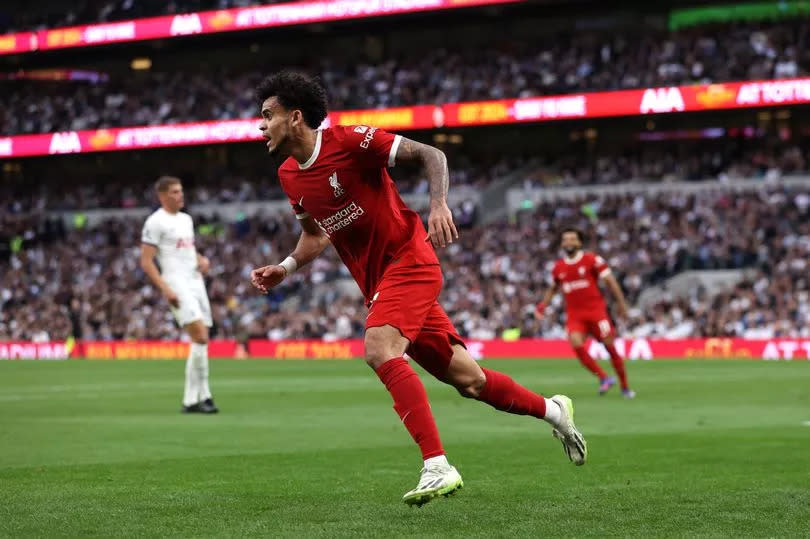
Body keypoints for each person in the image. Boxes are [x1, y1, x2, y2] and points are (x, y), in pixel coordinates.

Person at [249, 71, 587, 507]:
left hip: (410, 260)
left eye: (267, 115)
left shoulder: (350, 142)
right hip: (380, 284)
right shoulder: (289, 176)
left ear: (295, 118)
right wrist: (287, 265)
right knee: (471, 381)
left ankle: (437, 465)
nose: (261, 125)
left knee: (379, 348)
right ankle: (555, 411)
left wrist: (438, 203)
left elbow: (432, 154)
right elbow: (316, 236)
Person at [140, 176, 219, 414]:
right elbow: (146, 261)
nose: (180, 195)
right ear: (162, 196)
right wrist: (165, 288)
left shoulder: (186, 219)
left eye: (181, 191)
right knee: (201, 336)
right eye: (174, 192)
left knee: (200, 341)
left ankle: (190, 400)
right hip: (176, 283)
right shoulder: (155, 222)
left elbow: (187, 250)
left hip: (196, 282)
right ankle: (205, 396)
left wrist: (201, 260)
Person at [536, 228, 635, 398]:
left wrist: (622, 305)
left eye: (572, 239)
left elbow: (611, 282)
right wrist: (543, 305)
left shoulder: (592, 260)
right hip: (575, 315)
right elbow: (553, 288)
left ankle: (625, 387)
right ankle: (604, 378)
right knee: (575, 343)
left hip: (597, 312)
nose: (568, 242)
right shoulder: (559, 267)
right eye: (565, 239)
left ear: (579, 242)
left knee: (609, 346)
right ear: (561, 243)